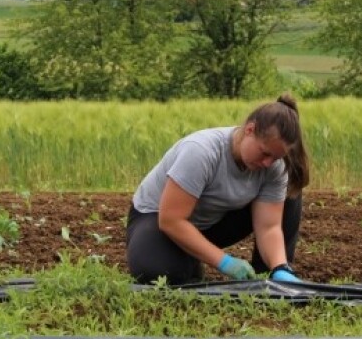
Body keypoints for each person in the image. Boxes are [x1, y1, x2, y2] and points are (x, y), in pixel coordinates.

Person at [126, 93, 310, 285]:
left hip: (211, 222)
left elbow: (269, 226)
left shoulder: (274, 166)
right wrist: (223, 261)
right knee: (160, 274)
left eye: (275, 157)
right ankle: (187, 256)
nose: (268, 163)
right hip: (158, 218)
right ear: (249, 129)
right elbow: (171, 219)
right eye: (264, 153)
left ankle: (271, 275)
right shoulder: (201, 152)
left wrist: (279, 267)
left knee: (290, 192)